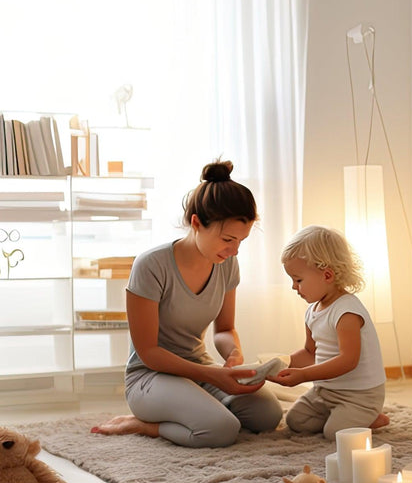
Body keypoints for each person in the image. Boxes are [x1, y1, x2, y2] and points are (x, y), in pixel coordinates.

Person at [91, 161, 282, 447]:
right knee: (220, 430)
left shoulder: (228, 265)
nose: (234, 250)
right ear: (196, 223)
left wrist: (233, 356)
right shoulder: (151, 265)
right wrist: (214, 376)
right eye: (228, 239)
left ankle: (197, 408)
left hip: (198, 369)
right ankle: (143, 424)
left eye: (241, 241)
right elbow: (149, 353)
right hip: (151, 377)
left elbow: (225, 328)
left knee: (267, 414)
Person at [275, 225, 389, 439]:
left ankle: (370, 415)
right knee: (296, 421)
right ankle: (351, 417)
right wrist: (281, 364)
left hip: (359, 395)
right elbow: (310, 353)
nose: (293, 286)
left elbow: (348, 360)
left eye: (298, 280)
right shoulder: (312, 311)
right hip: (325, 392)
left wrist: (304, 376)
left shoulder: (346, 311)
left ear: (327, 275)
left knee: (335, 434)